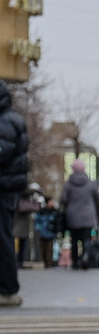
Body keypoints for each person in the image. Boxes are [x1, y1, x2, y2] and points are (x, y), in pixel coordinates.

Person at [0, 81, 24, 306]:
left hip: (3, 189)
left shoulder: (5, 121)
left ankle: (7, 289)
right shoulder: (11, 119)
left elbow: (2, 152)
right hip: (7, 189)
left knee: (3, 239)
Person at [61, 165, 99, 269]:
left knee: (74, 239)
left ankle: (75, 261)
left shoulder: (68, 184)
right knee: (87, 238)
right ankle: (85, 257)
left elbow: (63, 199)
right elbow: (97, 200)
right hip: (88, 216)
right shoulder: (91, 184)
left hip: (72, 216)